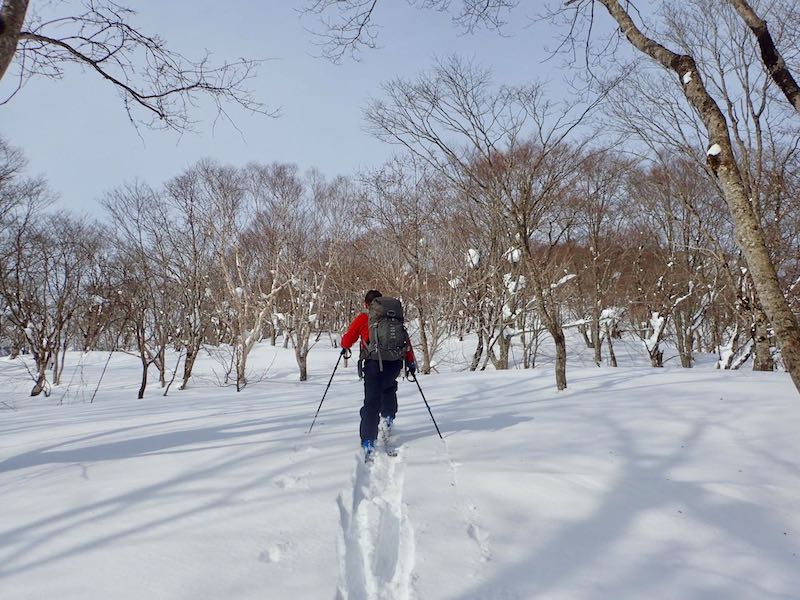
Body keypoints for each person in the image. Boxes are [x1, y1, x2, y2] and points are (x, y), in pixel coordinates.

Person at [341, 289, 416, 459]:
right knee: (389, 388)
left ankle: (368, 439)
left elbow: (347, 340)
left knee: (371, 401)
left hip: (374, 364)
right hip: (394, 363)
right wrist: (410, 362)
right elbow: (406, 342)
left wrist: (344, 344)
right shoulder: (394, 318)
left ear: (367, 305)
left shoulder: (363, 318)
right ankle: (388, 417)